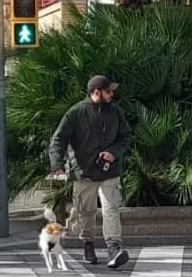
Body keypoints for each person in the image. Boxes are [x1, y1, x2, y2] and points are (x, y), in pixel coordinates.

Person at [50, 75, 132, 270]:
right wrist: (57, 165)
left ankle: (114, 247)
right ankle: (88, 243)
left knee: (111, 208)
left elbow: (125, 136)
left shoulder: (116, 112)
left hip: (109, 171)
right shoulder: (76, 113)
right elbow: (58, 140)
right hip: (84, 172)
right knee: (85, 212)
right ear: (96, 92)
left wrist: (113, 152)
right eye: (108, 91)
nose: (112, 94)